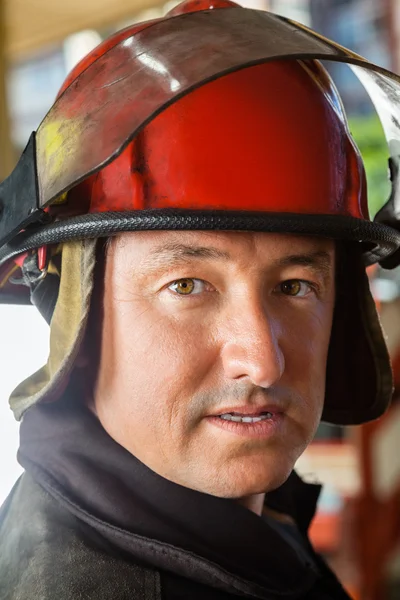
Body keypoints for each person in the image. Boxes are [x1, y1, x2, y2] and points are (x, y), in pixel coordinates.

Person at [1, 0, 400, 598]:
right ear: (75, 317)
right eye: (186, 286)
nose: (262, 361)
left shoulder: (234, 525)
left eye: (295, 286)